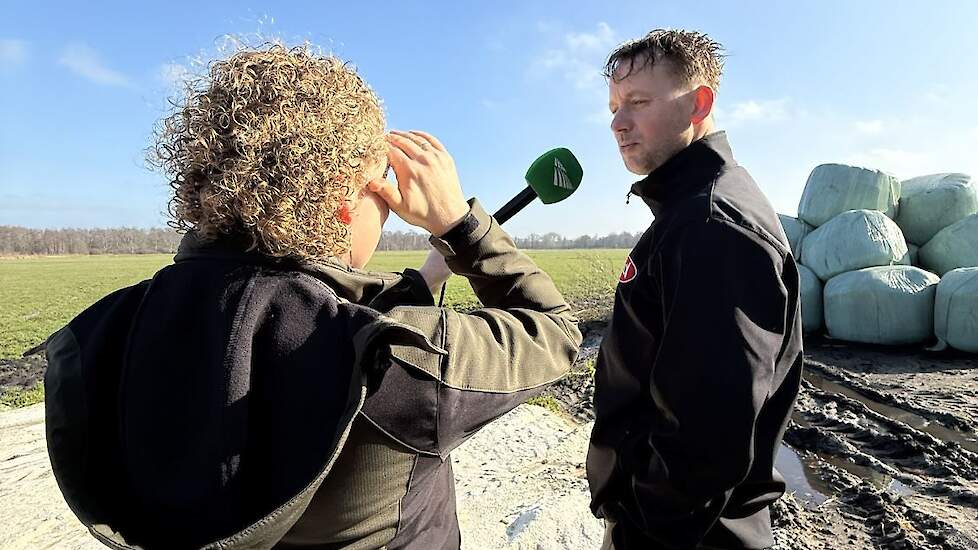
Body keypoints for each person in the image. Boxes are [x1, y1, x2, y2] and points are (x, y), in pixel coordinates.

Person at [43, 44, 581, 550]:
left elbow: (286, 311)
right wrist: (463, 228)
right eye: (382, 184)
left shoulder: (104, 332)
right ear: (346, 198)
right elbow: (553, 331)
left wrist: (423, 282)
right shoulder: (394, 363)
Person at [585, 29, 804, 550]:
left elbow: (707, 438)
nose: (618, 123)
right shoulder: (689, 213)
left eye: (638, 102)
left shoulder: (712, 225)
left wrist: (644, 526)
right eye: (614, 106)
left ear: (699, 103)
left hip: (687, 536)